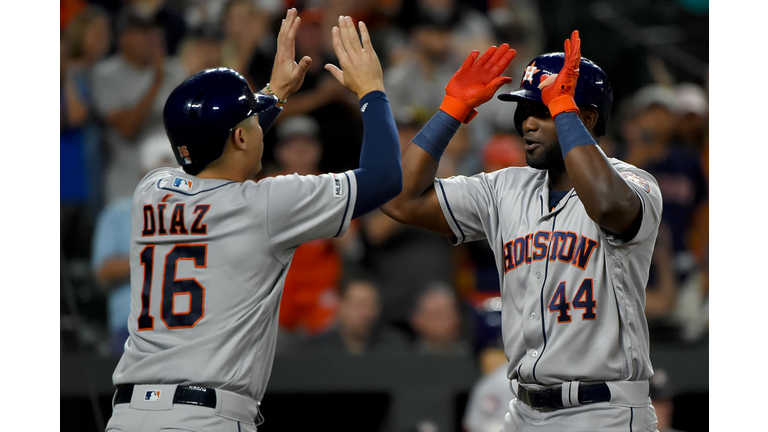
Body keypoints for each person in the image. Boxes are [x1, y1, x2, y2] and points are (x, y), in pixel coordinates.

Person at [105, 10, 402, 431]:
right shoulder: (266, 205)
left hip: (129, 416)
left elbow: (220, 148)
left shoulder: (152, 190)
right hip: (204, 419)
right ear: (242, 136)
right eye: (251, 122)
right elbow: (385, 178)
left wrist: (273, 94)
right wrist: (372, 90)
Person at [382, 31, 662, 430]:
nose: (527, 124)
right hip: (523, 411)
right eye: (524, 112)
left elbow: (606, 204)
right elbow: (399, 200)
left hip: (603, 412)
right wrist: (451, 110)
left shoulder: (634, 183)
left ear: (586, 118)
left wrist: (563, 109)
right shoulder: (505, 188)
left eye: (542, 111)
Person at [91, 10, 187, 203]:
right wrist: (157, 82)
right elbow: (127, 128)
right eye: (144, 32)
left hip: (173, 185)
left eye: (154, 30)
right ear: (124, 38)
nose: (153, 38)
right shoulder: (106, 75)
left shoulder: (175, 70)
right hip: (128, 187)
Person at [305, 278, 409, 355]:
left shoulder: (394, 346)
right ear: (342, 306)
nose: (366, 313)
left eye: (371, 306)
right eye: (359, 306)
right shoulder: (318, 348)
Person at [410, 283, 471, 354]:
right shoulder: (405, 357)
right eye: (438, 315)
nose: (449, 321)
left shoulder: (473, 354)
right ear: (416, 320)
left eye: (452, 313)